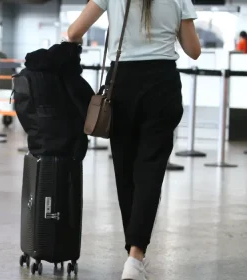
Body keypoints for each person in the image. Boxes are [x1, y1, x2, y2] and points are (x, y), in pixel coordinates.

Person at [67, 0, 201, 279]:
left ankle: (133, 256)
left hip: (123, 84)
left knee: (125, 173)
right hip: (162, 85)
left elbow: (74, 31)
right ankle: (135, 256)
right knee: (150, 173)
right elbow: (194, 50)